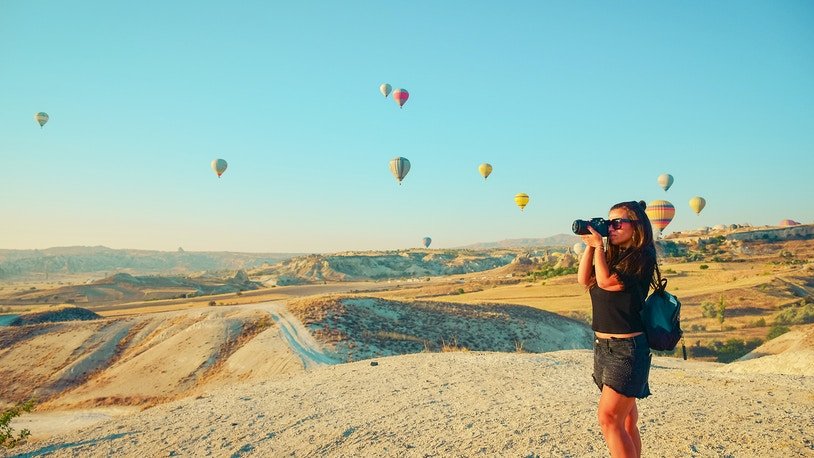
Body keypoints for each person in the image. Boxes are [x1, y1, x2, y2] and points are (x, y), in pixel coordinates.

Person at [577, 200, 657, 458]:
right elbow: (584, 280)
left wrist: (600, 246)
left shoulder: (641, 257)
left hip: (627, 351)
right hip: (603, 348)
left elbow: (606, 282)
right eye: (608, 222)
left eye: (617, 223)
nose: (611, 228)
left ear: (637, 227)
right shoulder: (612, 256)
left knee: (609, 418)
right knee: (625, 421)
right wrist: (591, 248)